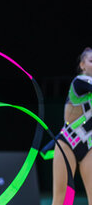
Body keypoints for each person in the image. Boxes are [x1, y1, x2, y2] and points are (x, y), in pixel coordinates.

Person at [52, 47, 92, 205]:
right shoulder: (79, 82)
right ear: (82, 65)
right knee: (61, 199)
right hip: (67, 143)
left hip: (89, 145)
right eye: (91, 61)